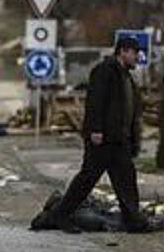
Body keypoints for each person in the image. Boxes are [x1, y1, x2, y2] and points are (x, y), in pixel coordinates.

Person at [45, 36, 149, 233]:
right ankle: (60, 215)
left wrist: (133, 138)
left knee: (126, 179)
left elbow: (130, 110)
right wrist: (96, 129)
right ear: (124, 51)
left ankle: (134, 220)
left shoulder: (126, 76)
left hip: (119, 139)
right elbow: (95, 102)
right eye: (135, 53)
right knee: (87, 179)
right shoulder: (105, 71)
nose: (137, 57)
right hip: (103, 139)